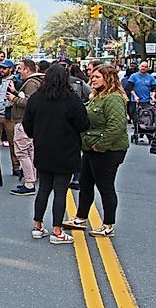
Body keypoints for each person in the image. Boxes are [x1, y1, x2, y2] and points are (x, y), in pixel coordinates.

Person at [22, 65, 90, 244]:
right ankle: (57, 231)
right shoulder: (71, 99)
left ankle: (37, 225)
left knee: (43, 188)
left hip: (43, 149)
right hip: (66, 150)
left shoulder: (36, 98)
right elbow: (83, 123)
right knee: (60, 191)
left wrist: (37, 134)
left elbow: (27, 124)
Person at [63, 65, 129, 237]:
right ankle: (80, 218)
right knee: (85, 184)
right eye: (92, 76)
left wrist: (100, 145)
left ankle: (108, 224)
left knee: (105, 187)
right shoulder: (97, 97)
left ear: (108, 78)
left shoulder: (113, 98)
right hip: (90, 149)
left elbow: (116, 126)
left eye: (97, 77)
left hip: (108, 151)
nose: (93, 79)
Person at [9, 60, 44, 196]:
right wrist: (16, 92)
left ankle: (29, 182)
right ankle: (32, 179)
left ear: (28, 70)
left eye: (21, 68)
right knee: (30, 151)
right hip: (30, 122)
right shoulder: (37, 82)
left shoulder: (30, 83)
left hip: (24, 121)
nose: (19, 71)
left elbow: (29, 102)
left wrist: (14, 99)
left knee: (22, 152)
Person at [0, 59, 20, 177]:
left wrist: (15, 92)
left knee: (14, 142)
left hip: (10, 117)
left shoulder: (17, 82)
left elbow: (21, 97)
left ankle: (16, 166)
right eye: (1, 68)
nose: (2, 70)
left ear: (11, 69)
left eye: (5, 68)